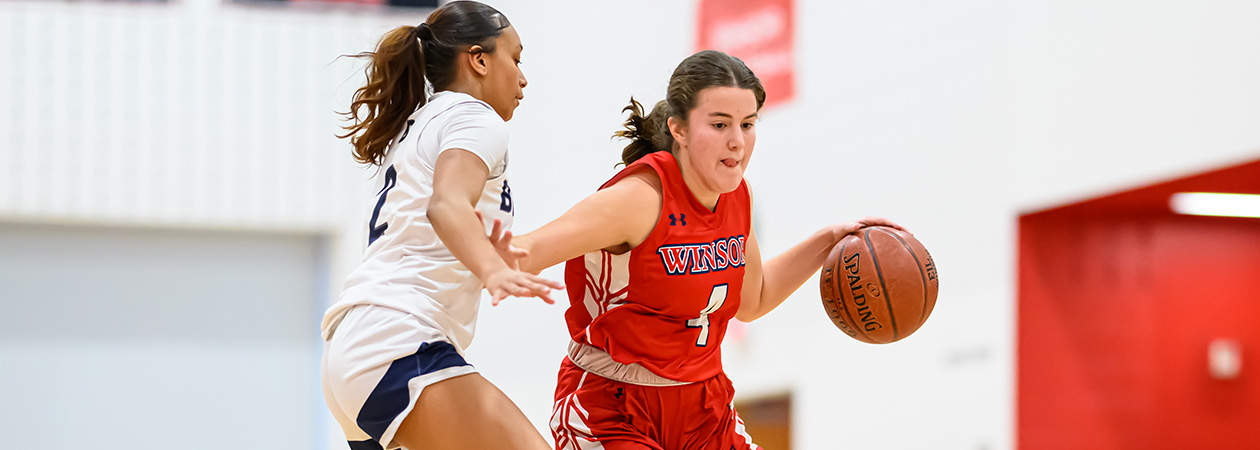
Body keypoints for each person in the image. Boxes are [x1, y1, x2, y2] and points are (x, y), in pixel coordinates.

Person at [493, 50, 904, 450]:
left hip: (703, 409)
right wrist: (474, 253)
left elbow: (753, 300)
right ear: (680, 129)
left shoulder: (738, 197)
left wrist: (830, 240)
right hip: (614, 406)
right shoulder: (639, 200)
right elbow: (524, 250)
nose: (737, 142)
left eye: (747, 124)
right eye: (720, 125)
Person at [319, 2, 561, 449]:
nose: (523, 78)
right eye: (517, 58)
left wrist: (495, 256)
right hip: (398, 341)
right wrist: (493, 272)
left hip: (355, 346)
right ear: (480, 59)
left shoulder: (422, 122)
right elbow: (445, 205)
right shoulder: (475, 117)